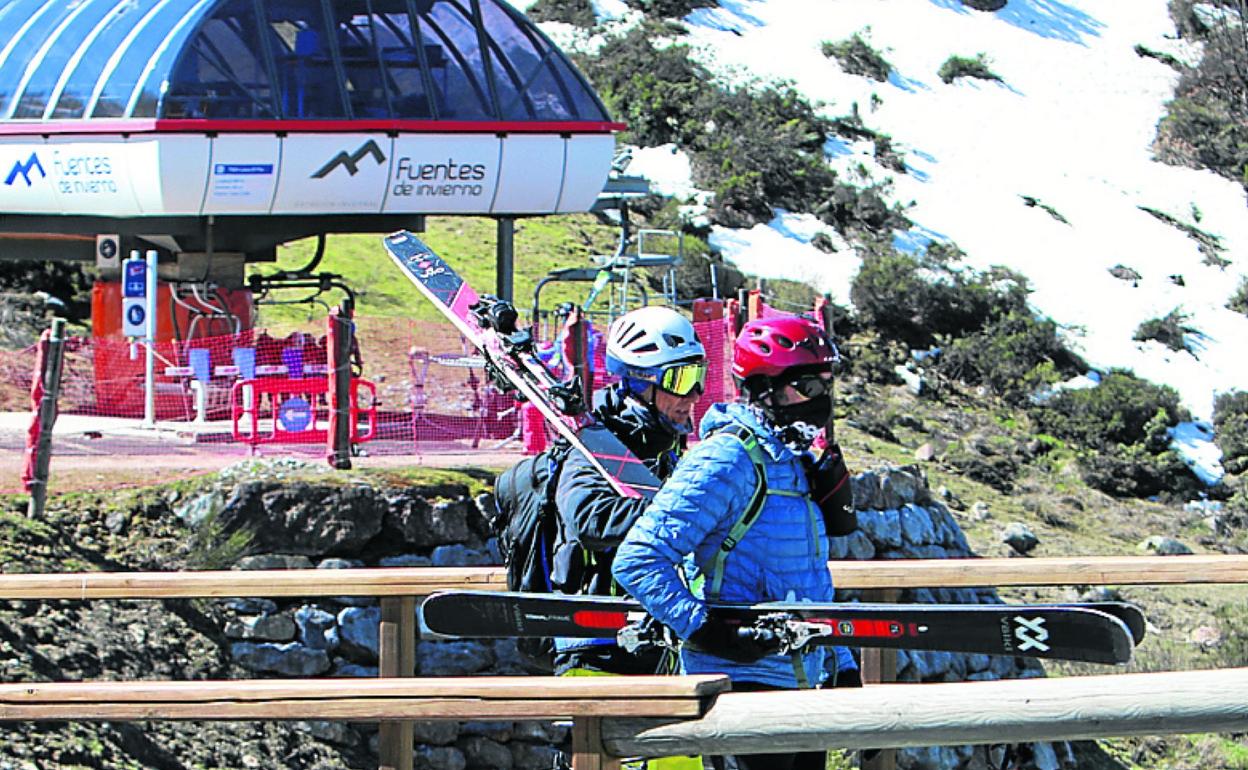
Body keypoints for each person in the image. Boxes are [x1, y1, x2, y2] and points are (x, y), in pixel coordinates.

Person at [612, 314, 860, 770]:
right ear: (765, 388)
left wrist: (842, 663)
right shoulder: (728, 458)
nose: (822, 401)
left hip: (802, 686)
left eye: (828, 385)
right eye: (809, 386)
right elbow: (638, 559)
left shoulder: (792, 459)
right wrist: (707, 630)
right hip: (740, 692)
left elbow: (808, 581)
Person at [548, 305, 708, 770]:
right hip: (595, 646)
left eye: (698, 376)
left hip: (657, 644)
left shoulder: (667, 445)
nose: (692, 394)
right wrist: (677, 515)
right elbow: (590, 519)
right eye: (679, 380)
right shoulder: (592, 444)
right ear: (639, 382)